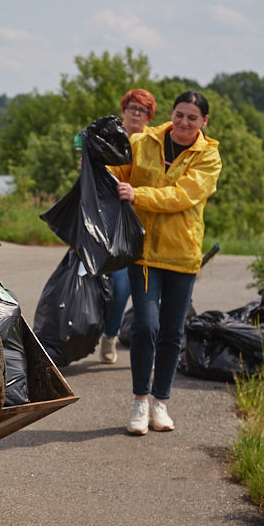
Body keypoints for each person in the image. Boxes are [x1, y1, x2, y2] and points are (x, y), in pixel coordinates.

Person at [111, 91, 221, 435]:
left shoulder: (210, 157)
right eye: (179, 114)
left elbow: (183, 195)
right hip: (142, 250)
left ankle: (161, 403)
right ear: (170, 114)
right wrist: (98, 158)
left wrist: (137, 194)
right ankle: (140, 402)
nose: (184, 122)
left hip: (182, 254)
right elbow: (117, 171)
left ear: (204, 122)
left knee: (173, 332)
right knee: (145, 325)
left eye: (192, 117)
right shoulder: (144, 142)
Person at [98, 88, 158, 364]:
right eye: (132, 108)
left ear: (150, 116)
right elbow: (92, 165)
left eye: (143, 110)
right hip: (113, 223)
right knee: (121, 286)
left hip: (148, 222)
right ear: (123, 111)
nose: (137, 114)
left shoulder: (155, 142)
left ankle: (149, 344)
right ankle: (110, 335)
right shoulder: (110, 137)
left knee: (151, 291)